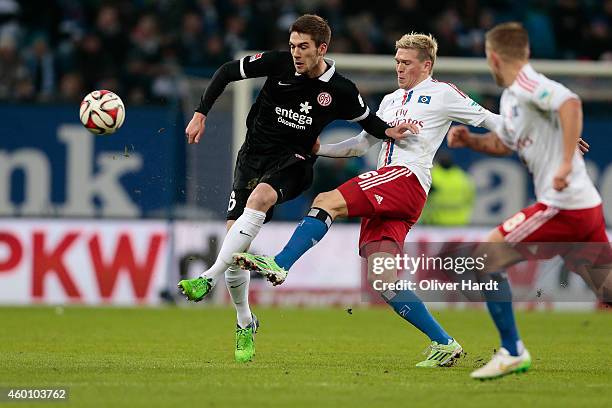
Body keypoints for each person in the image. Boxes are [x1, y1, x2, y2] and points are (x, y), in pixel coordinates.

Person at [233, 32, 503, 367]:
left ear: (426, 65)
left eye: (406, 63)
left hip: (406, 179)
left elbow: (492, 121)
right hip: (392, 196)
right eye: (397, 62)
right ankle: (445, 343)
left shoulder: (442, 93)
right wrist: (322, 149)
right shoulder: (389, 101)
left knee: (327, 199)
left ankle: (281, 263)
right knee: (383, 280)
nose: (399, 68)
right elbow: (362, 145)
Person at [177, 14, 412, 363]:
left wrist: (390, 131)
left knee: (261, 198)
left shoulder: (341, 90)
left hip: (295, 162)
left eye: (303, 47)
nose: (296, 53)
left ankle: (207, 278)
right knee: (234, 242)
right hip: (252, 158)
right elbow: (227, 71)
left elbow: (369, 122)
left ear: (322, 48)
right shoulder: (278, 64)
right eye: (292, 46)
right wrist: (200, 113)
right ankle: (245, 321)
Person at [446, 22, 609, 380]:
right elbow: (504, 143)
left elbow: (570, 103)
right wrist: (470, 141)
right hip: (584, 206)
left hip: (562, 205)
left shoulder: (527, 84)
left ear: (492, 57)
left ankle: (511, 351)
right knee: (608, 288)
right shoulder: (512, 99)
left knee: (485, 258)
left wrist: (566, 161)